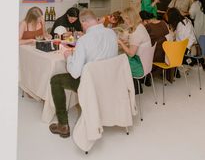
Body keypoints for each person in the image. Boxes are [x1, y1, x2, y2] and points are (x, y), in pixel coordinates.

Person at [49, 9, 118, 138]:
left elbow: (75, 73)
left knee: (55, 80)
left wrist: (69, 56)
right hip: (109, 80)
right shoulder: (112, 33)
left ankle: (63, 125)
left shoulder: (84, 41)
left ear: (84, 23)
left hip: (91, 83)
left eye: (81, 24)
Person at [118, 7, 151, 93]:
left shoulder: (136, 33)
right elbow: (135, 43)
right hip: (146, 63)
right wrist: (127, 42)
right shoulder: (140, 26)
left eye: (125, 20)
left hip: (140, 67)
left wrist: (120, 43)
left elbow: (131, 54)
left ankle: (123, 92)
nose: (124, 22)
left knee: (116, 63)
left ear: (130, 19)